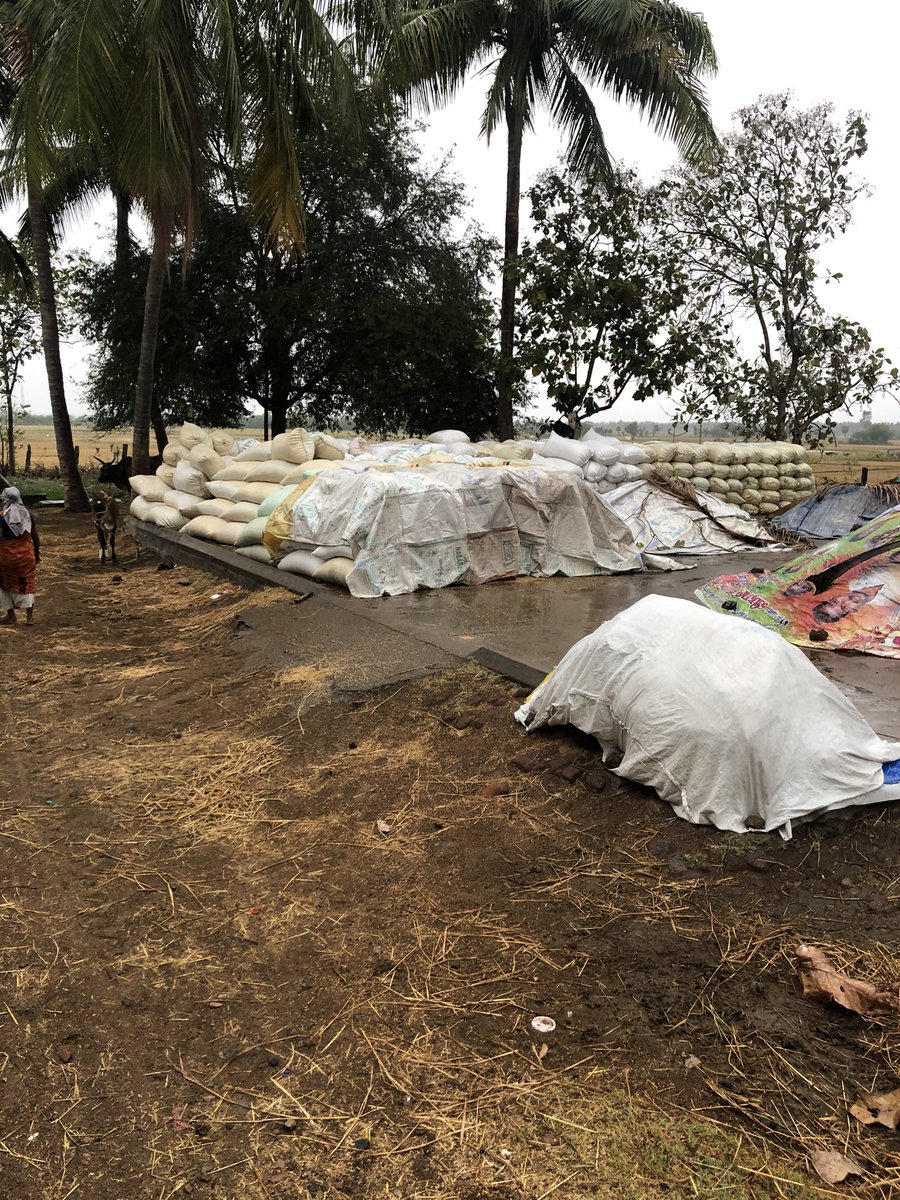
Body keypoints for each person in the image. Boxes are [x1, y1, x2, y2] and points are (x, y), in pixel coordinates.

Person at [0, 486, 40, 626]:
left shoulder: (1, 516)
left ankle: (11, 615)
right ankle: (29, 617)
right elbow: (35, 537)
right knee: (28, 583)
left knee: (3, 583)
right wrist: (37, 554)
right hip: (26, 555)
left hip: (6, 557)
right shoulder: (27, 515)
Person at [812, 585, 882, 625]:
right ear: (853, 611)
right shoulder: (883, 605)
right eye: (844, 608)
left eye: (835, 601)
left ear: (835, 597)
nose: (847, 601)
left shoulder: (857, 578)